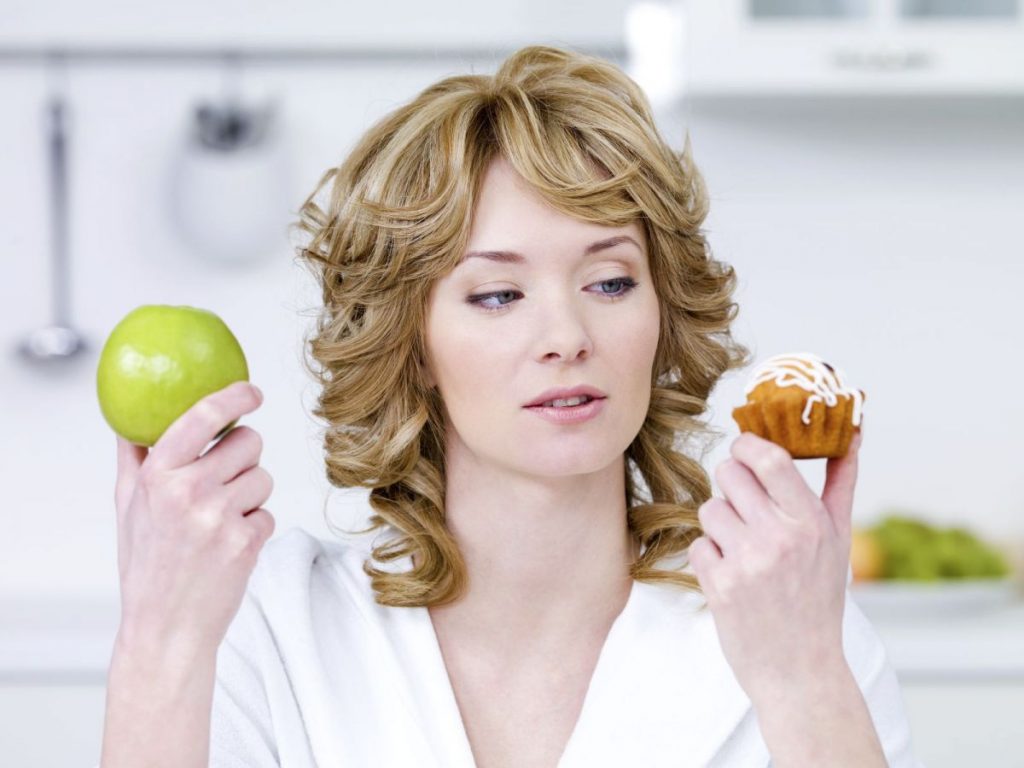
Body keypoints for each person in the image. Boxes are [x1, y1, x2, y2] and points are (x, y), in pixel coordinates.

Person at [99, 45, 923, 767]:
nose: (566, 335)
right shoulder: (271, 626)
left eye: (610, 282)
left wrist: (804, 677)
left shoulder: (794, 625)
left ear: (661, 315)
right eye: (497, 294)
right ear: (412, 345)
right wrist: (159, 639)